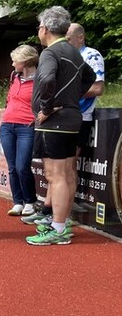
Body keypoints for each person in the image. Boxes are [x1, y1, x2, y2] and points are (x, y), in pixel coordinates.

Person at [26, 6, 95, 245]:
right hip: (71, 118)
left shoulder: (50, 52)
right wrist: (71, 98)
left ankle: (58, 228)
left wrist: (47, 108)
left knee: (55, 176)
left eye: (39, 27)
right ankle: (61, 223)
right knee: (65, 174)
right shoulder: (75, 52)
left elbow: (46, 79)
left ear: (44, 29)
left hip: (54, 122)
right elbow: (90, 77)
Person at [65, 22, 104, 213]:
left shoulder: (92, 55)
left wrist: (70, 95)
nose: (67, 41)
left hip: (80, 116)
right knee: (63, 162)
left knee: (69, 161)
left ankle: (67, 205)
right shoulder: (67, 55)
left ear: (81, 37)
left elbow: (98, 88)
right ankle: (63, 204)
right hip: (64, 115)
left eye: (70, 37)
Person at [0, 45, 39, 217]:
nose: (13, 63)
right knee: (12, 167)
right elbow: (9, 98)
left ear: (25, 61)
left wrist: (35, 118)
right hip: (8, 125)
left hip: (26, 126)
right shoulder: (14, 76)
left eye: (15, 60)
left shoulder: (40, 79)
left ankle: (30, 201)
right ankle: (17, 202)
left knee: (23, 166)